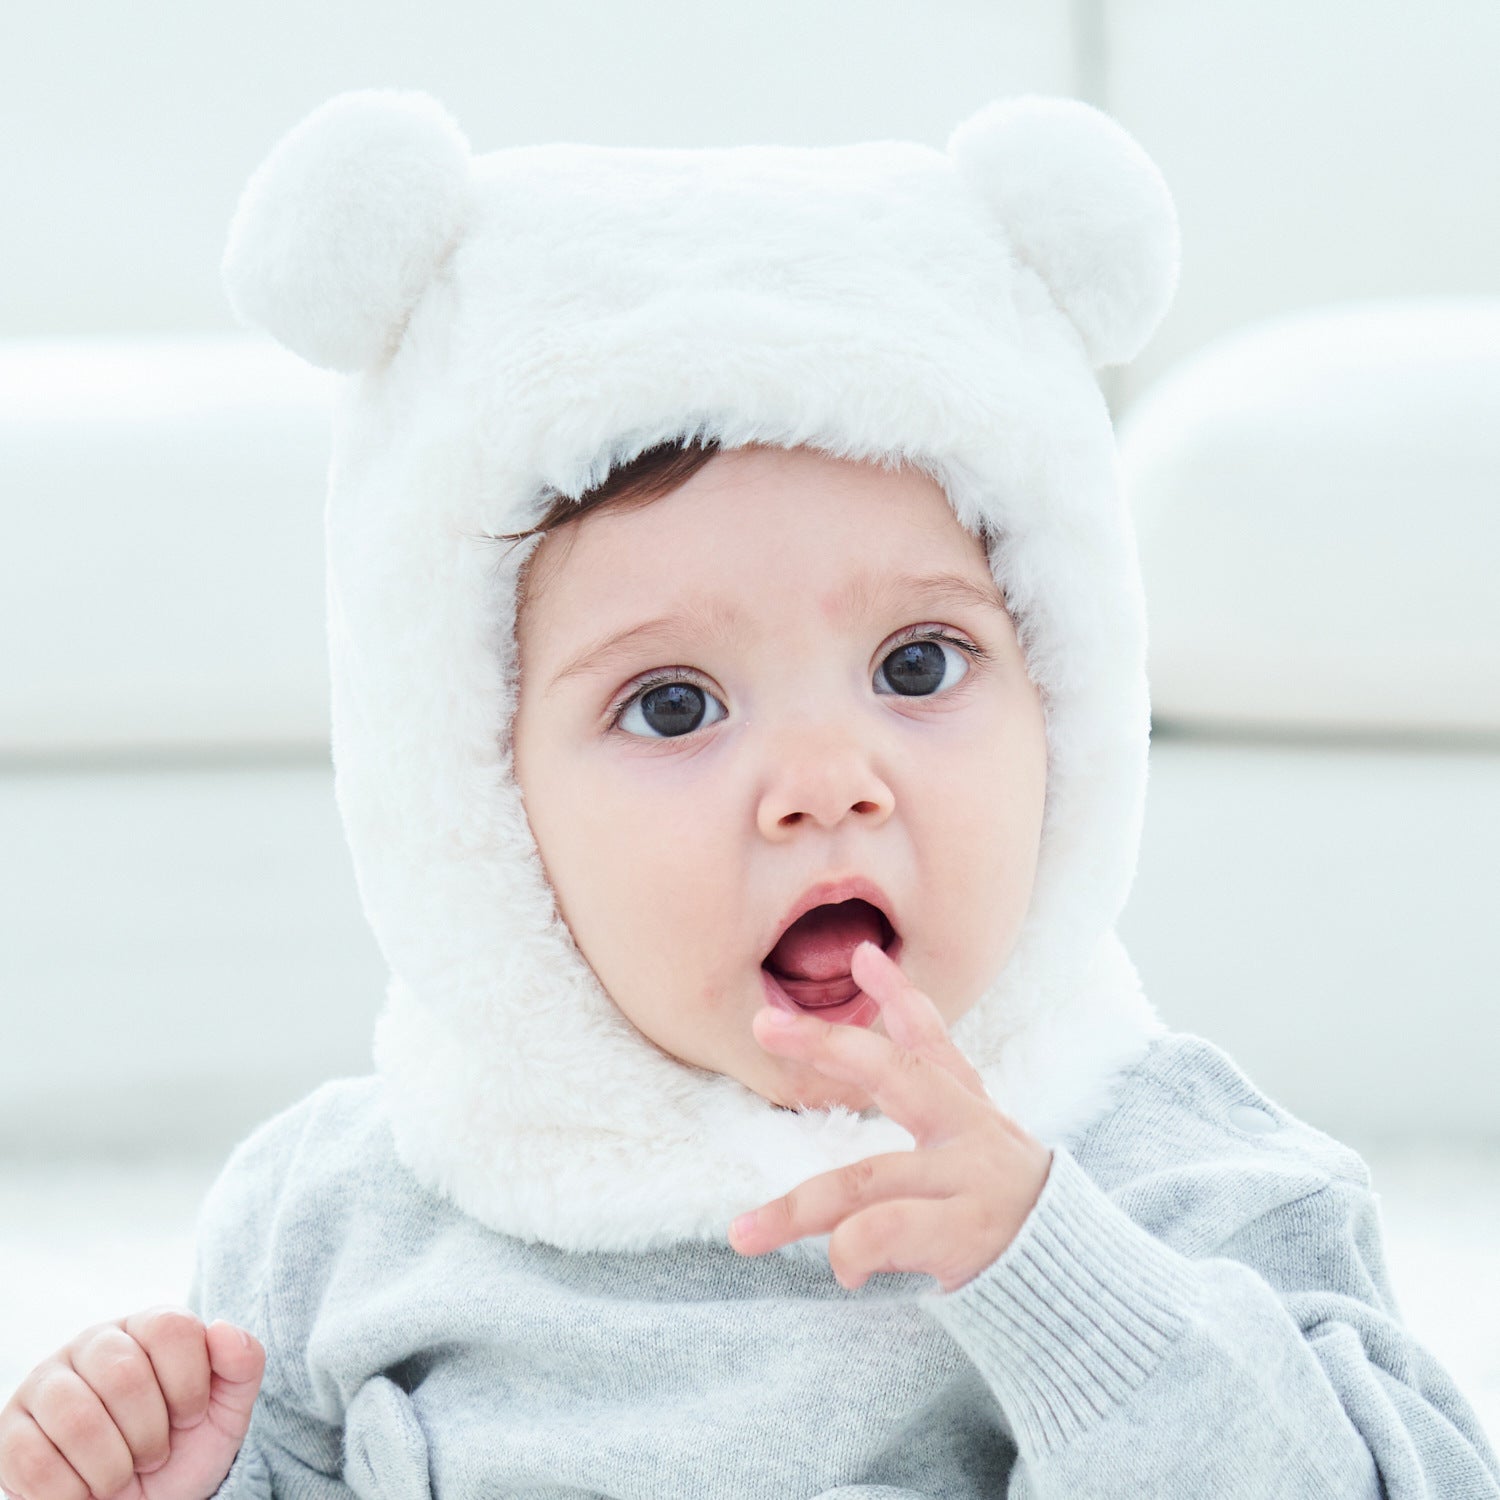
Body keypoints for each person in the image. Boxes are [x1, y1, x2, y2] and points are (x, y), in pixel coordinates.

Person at [1, 87, 1495, 1500]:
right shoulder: (349, 1219)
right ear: (481, 805)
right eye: (673, 705)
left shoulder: (1174, 1175)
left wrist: (1060, 1276)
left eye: (918, 666)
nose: (826, 786)